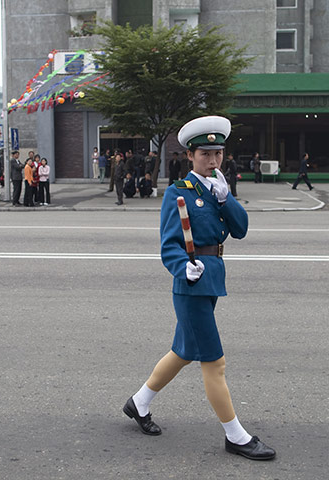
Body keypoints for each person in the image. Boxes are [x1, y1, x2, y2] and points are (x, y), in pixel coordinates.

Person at [122, 115, 276, 461]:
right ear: (190, 156)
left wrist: (226, 200)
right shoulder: (179, 193)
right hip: (190, 284)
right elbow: (168, 245)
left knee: (184, 352)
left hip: (212, 280)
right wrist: (182, 267)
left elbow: (240, 230)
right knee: (214, 362)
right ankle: (235, 435)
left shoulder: (218, 190)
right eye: (205, 154)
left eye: (218, 153)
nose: (213, 161)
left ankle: (139, 402)